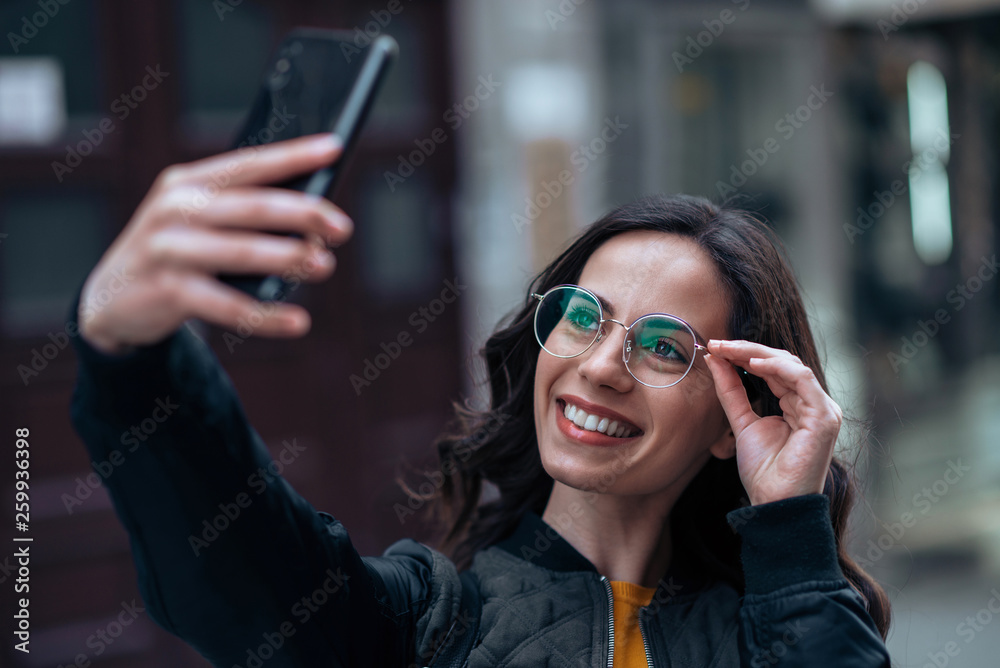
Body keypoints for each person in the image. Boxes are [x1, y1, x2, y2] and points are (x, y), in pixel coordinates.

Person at [69, 133, 892, 667]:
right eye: (582, 317)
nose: (601, 367)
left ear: (731, 421)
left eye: (663, 347)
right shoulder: (428, 625)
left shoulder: (773, 629)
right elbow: (241, 574)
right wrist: (133, 358)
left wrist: (789, 527)